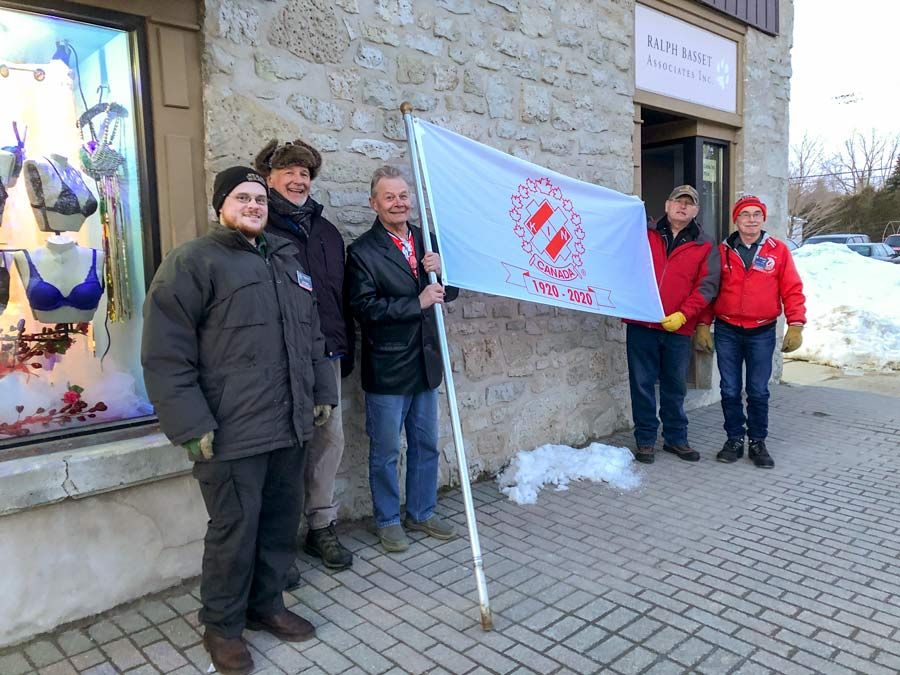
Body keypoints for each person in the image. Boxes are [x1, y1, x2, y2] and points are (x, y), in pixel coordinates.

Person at [141, 166, 338, 675]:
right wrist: (190, 425)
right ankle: (222, 626)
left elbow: (312, 335)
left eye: (259, 199)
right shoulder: (193, 263)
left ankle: (266, 604)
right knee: (234, 530)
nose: (254, 205)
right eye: (243, 197)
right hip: (230, 433)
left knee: (278, 523)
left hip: (289, 423)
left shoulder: (286, 259)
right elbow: (166, 354)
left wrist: (321, 392)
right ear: (220, 205)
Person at [345, 166, 459, 553]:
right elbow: (363, 308)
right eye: (389, 197)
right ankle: (388, 519)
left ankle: (423, 512)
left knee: (426, 444)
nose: (399, 203)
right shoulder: (361, 252)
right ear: (374, 203)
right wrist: (417, 302)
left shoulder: (427, 241)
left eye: (403, 195)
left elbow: (449, 292)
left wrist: (444, 275)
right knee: (386, 451)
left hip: (426, 364)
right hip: (388, 368)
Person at [253, 139, 355, 573]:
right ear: (270, 178)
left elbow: (338, 297)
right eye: (289, 172)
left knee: (329, 441)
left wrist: (343, 346)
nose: (298, 180)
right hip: (279, 359)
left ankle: (320, 527)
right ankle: (276, 546)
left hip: (325, 354)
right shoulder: (259, 228)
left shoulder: (328, 233)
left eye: (305, 174)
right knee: (284, 448)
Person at [695, 194, 806, 468]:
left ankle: (757, 442)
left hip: (762, 332)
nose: (751, 220)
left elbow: (792, 289)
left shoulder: (777, 250)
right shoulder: (720, 252)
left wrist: (796, 323)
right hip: (727, 330)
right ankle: (734, 439)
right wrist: (702, 325)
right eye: (746, 214)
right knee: (730, 388)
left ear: (763, 218)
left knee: (757, 390)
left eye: (757, 214)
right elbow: (710, 291)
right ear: (737, 219)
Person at [624, 185, 720, 464]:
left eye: (689, 204)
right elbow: (623, 264)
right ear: (666, 205)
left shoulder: (705, 244)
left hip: (678, 327)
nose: (683, 206)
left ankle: (676, 438)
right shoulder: (644, 234)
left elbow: (707, 286)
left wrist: (684, 315)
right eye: (678, 201)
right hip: (642, 323)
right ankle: (645, 439)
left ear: (696, 211)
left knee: (674, 385)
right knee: (641, 384)